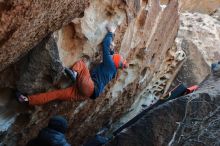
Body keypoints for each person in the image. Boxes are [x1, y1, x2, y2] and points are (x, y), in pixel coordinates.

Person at [16, 24, 128, 105]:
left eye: (112, 57)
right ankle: (26, 100)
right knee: (56, 94)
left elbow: (105, 47)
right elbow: (112, 56)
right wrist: (113, 50)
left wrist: (111, 33)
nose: (111, 56)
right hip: (85, 94)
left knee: (82, 65)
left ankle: (74, 73)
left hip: (90, 87)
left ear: (113, 60)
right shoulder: (112, 70)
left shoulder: (110, 64)